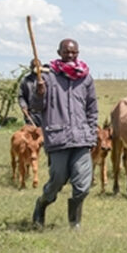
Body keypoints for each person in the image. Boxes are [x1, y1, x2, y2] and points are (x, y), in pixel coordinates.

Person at [30, 39, 98, 230]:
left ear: (78, 53)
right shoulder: (48, 77)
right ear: (59, 52)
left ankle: (74, 223)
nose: (70, 56)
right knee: (57, 181)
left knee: (83, 185)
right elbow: (36, 107)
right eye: (66, 52)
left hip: (82, 139)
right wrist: (39, 92)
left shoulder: (85, 78)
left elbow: (92, 108)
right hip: (58, 139)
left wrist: (91, 133)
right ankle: (42, 204)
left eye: (74, 53)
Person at [18, 59, 48, 127]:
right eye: (34, 66)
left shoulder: (46, 79)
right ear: (30, 67)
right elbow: (21, 96)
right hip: (32, 113)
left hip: (45, 113)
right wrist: (23, 106)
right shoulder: (25, 80)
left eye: (38, 66)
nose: (36, 68)